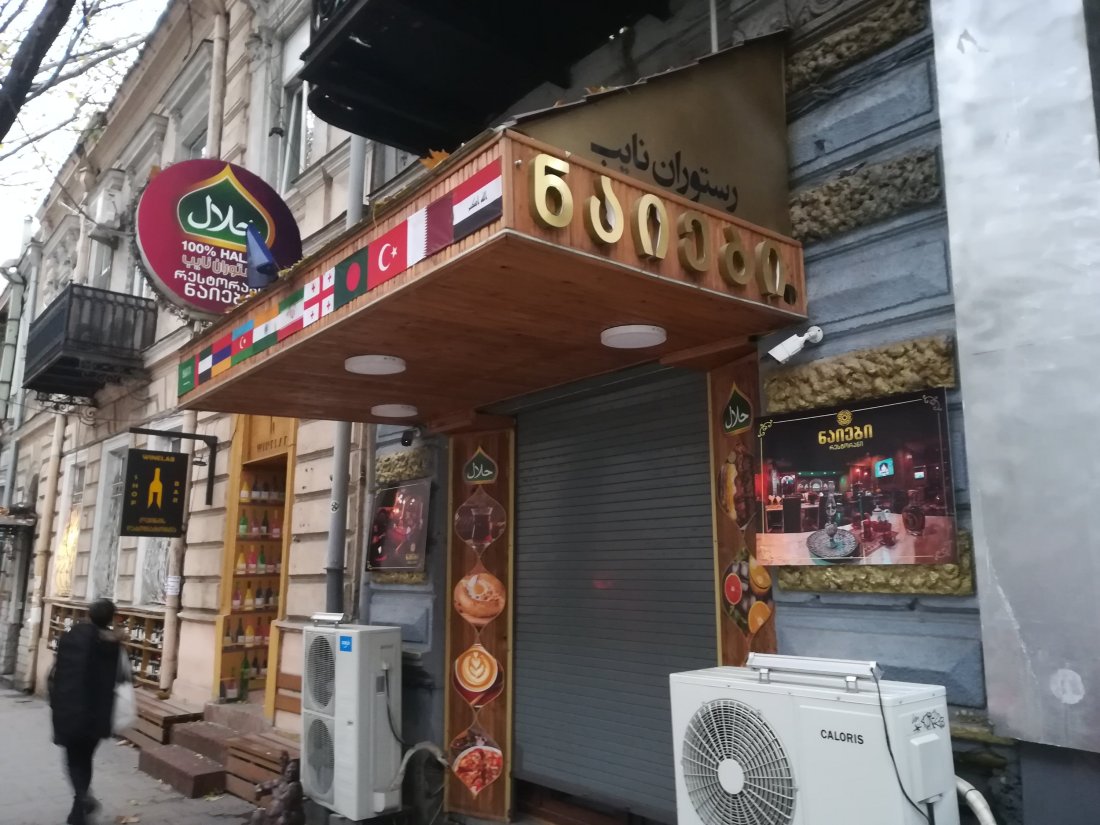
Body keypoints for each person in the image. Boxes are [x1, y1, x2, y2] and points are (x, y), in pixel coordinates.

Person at [49, 598, 124, 825]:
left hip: (69, 709)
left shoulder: (69, 637)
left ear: (88, 614)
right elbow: (120, 677)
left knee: (73, 759)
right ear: (109, 619)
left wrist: (54, 701)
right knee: (85, 757)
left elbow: (54, 673)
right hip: (97, 713)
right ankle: (79, 807)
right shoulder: (112, 645)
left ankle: (81, 799)